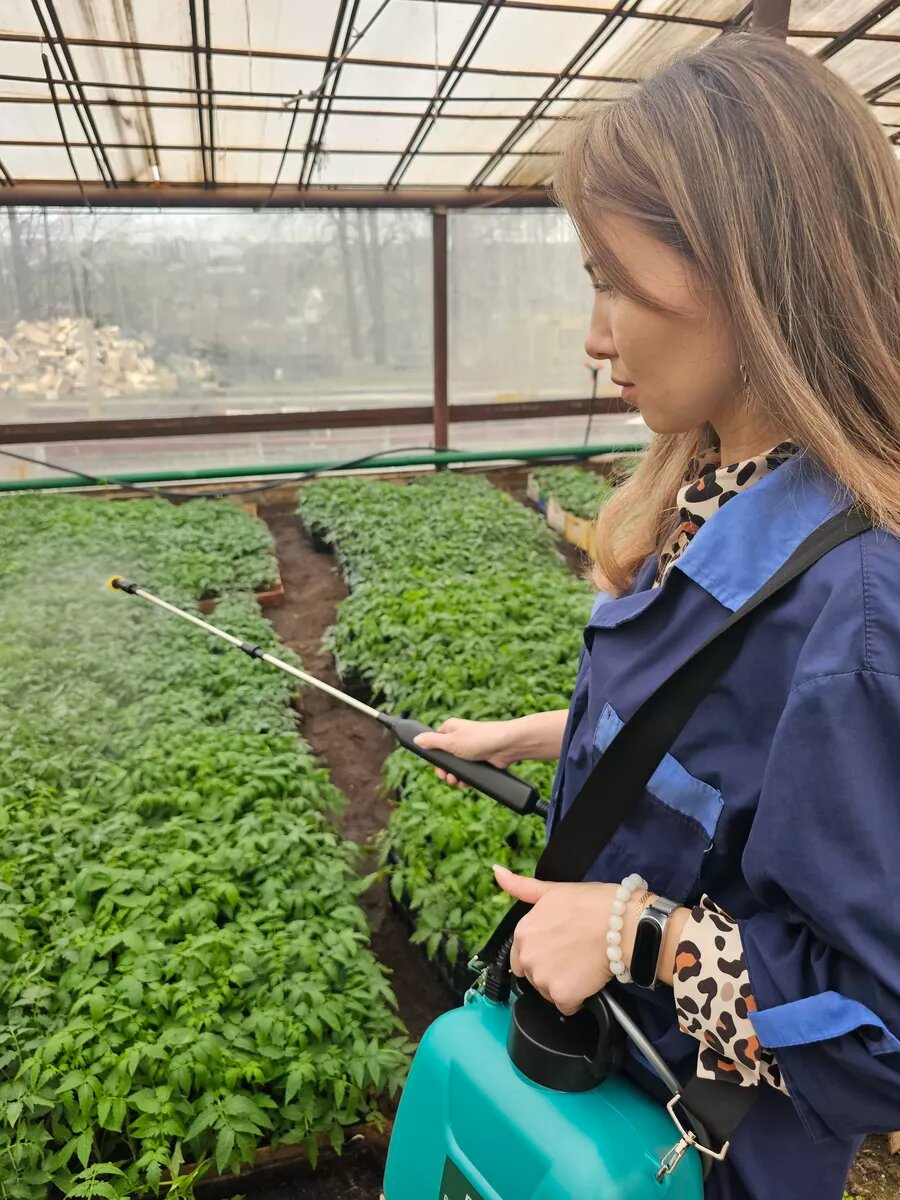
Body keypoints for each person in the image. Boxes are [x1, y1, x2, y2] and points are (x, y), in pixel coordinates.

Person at [414, 32, 900, 1200]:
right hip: (610, 1094)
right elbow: (735, 754)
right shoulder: (710, 489)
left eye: (618, 284)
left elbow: (884, 1029)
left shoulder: (861, 608)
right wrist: (544, 734)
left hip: (705, 1155)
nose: (596, 338)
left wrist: (640, 933)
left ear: (755, 275)